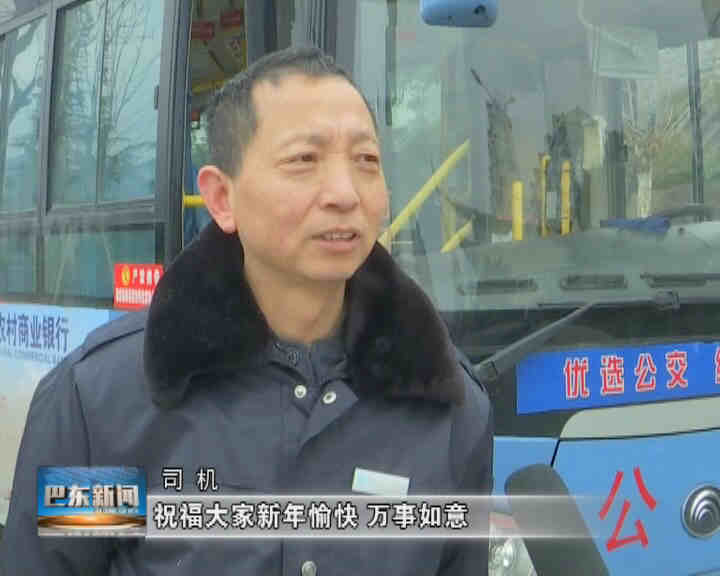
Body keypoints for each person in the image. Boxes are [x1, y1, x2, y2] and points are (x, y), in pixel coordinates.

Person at [0, 46, 493, 575]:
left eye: (366, 161)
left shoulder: (447, 409)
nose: (345, 193)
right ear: (221, 198)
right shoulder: (106, 403)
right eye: (304, 160)